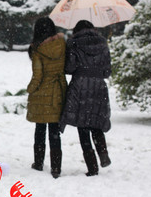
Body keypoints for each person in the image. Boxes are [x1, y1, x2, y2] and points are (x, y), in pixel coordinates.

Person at [59, 20, 112, 176]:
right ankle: (103, 153)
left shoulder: (74, 43)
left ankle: (92, 167)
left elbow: (70, 68)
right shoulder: (103, 44)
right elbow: (107, 71)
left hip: (80, 86)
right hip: (98, 87)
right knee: (96, 122)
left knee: (83, 126)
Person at [26, 17, 67, 179]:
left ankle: (38, 163)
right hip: (58, 91)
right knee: (55, 132)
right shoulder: (62, 45)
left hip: (42, 94)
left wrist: (29, 89)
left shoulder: (38, 50)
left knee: (40, 130)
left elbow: (38, 76)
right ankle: (56, 167)